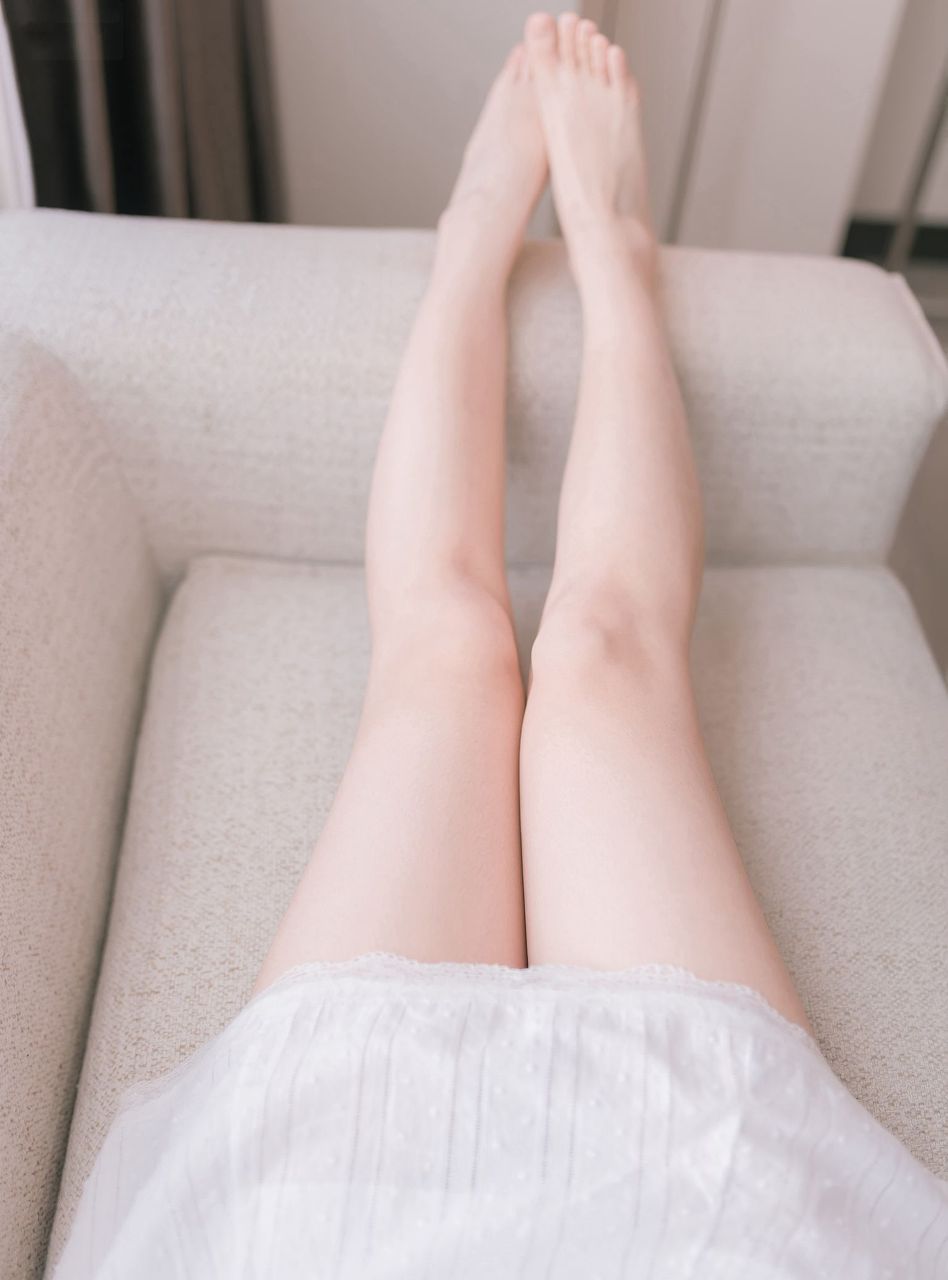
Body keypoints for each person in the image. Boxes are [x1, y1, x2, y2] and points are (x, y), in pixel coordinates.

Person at [55, 14, 947, 1278]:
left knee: (454, 652)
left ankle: (488, 245)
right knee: (598, 657)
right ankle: (599, 255)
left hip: (331, 1195)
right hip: (705, 1210)